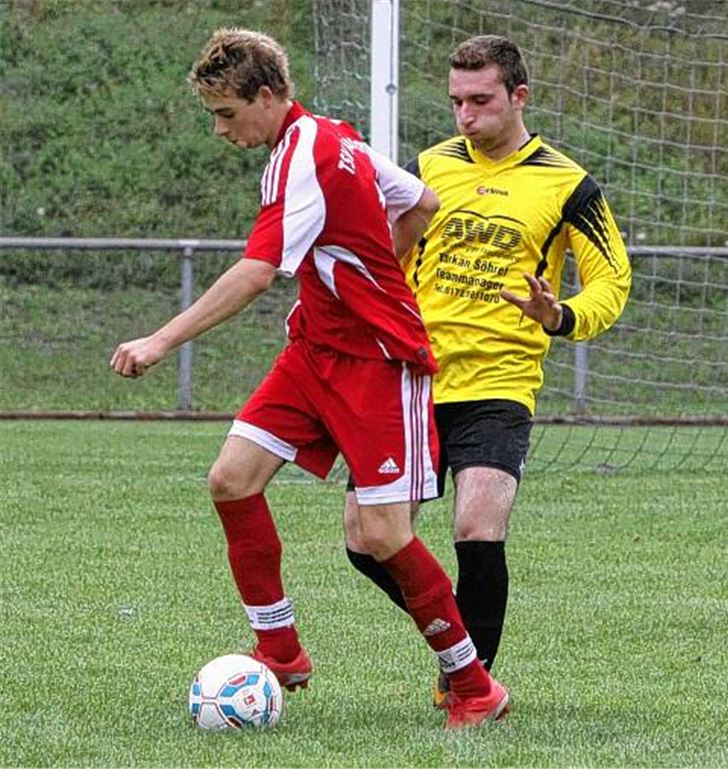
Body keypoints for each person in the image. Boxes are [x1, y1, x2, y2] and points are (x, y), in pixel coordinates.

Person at [110, 27, 508, 728]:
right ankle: (280, 647)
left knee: (383, 533)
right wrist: (355, 272)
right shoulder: (337, 137)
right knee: (231, 478)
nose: (221, 130)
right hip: (314, 351)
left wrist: (160, 339)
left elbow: (258, 273)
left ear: (267, 97)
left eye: (228, 113)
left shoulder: (304, 156)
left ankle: (474, 684)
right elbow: (420, 202)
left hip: (380, 362)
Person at [342, 34, 631, 704]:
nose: (465, 115)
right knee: (363, 538)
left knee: (477, 527)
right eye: (455, 102)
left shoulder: (567, 184)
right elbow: (383, 256)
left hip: (500, 383)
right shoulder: (425, 170)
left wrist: (559, 315)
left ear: (518, 96)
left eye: (480, 100)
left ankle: (468, 688)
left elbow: (612, 282)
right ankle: (459, 642)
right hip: (412, 378)